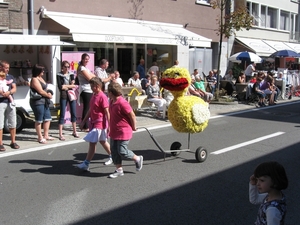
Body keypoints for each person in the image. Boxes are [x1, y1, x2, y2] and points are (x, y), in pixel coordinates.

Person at [107, 82, 143, 178]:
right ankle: (119, 170)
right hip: (114, 130)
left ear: (111, 92)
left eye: (108, 92)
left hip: (123, 130)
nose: (107, 93)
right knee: (114, 151)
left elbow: (132, 115)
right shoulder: (111, 102)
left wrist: (134, 126)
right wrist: (109, 126)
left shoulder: (122, 102)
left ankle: (137, 158)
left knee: (122, 151)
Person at [76, 77, 112, 171]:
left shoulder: (102, 96)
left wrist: (109, 125)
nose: (91, 88)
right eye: (91, 86)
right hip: (93, 122)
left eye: (93, 86)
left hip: (100, 123)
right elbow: (91, 110)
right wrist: (84, 121)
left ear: (98, 86)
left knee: (92, 143)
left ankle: (86, 163)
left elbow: (107, 112)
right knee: (103, 141)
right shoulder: (94, 95)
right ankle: (113, 156)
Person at [30, 64, 54, 144]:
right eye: (42, 70)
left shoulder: (41, 78)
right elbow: (40, 91)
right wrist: (48, 95)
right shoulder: (34, 79)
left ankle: (46, 135)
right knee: (39, 119)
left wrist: (49, 93)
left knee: (47, 118)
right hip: (38, 102)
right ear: (38, 71)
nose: (43, 71)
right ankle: (40, 137)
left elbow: (45, 88)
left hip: (45, 101)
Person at [57, 60, 79, 141]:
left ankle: (74, 131)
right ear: (62, 67)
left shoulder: (71, 74)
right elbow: (60, 87)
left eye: (68, 67)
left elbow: (73, 85)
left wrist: (67, 86)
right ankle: (60, 133)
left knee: (73, 112)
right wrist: (68, 85)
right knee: (62, 113)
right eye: (65, 66)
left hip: (71, 94)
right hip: (63, 95)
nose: (67, 68)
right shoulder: (59, 75)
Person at [0, 60, 19, 150]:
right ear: (1, 67)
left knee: (12, 122)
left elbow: (14, 88)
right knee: (0, 123)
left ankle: (13, 141)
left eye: (8, 68)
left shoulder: (10, 77)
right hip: (1, 101)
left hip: (10, 101)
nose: (8, 69)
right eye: (6, 68)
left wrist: (9, 92)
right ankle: (0, 143)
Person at [77, 53, 95, 131]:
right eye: (85, 59)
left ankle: (86, 125)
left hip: (88, 89)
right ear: (82, 59)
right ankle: (85, 126)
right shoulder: (81, 68)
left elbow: (93, 76)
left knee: (88, 107)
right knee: (87, 108)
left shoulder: (85, 68)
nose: (87, 60)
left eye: (88, 59)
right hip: (85, 89)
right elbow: (90, 79)